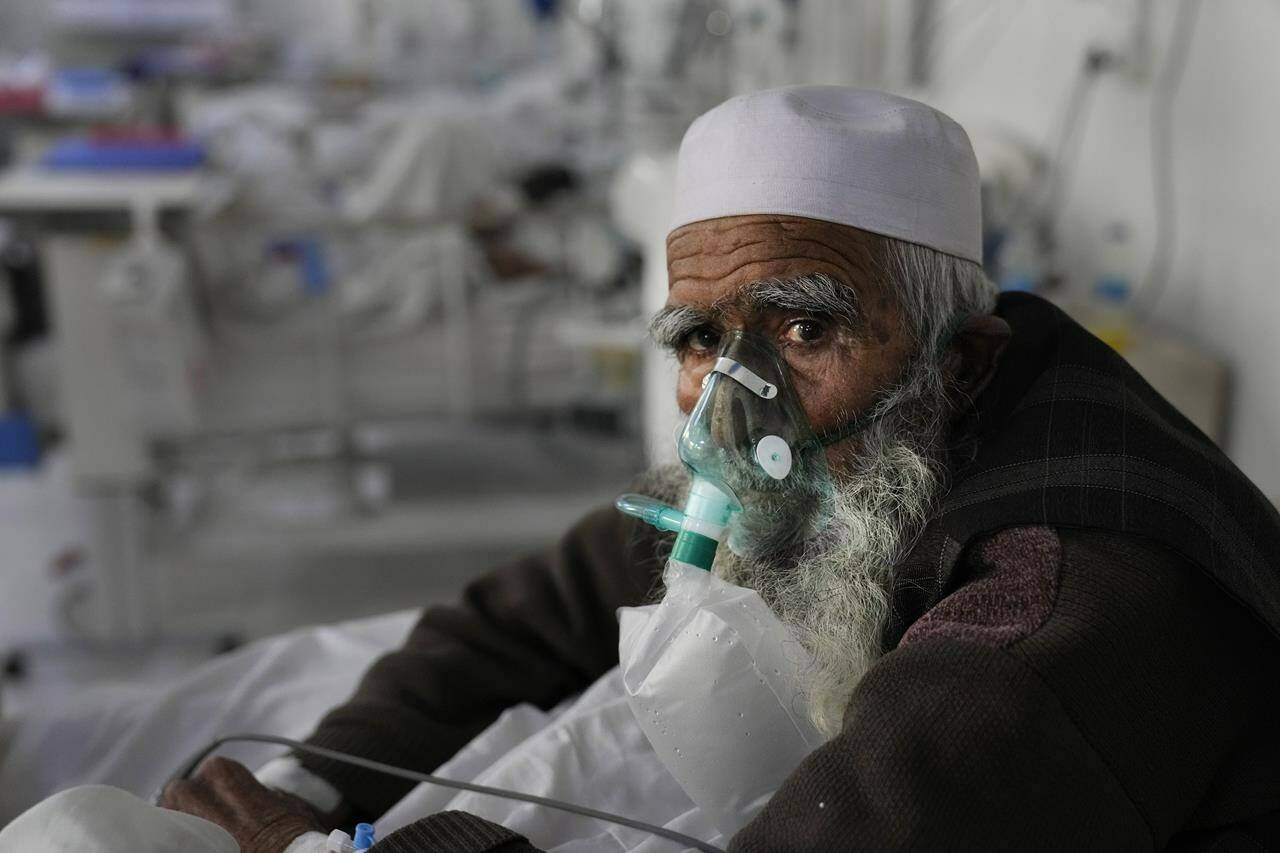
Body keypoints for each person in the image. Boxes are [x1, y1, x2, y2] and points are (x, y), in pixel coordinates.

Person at [123, 86, 1280, 850]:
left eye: (805, 328)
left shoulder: (1055, 613)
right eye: (697, 340)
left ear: (960, 362)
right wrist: (326, 789)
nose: (734, 394)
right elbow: (527, 615)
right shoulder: (836, 448)